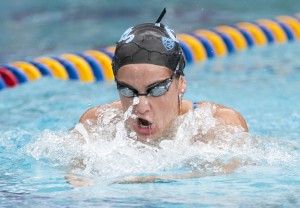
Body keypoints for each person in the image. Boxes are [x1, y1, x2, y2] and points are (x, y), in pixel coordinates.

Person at [79, 10, 248, 144]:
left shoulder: (218, 124)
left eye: (157, 89)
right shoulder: (97, 123)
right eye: (128, 90)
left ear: (181, 83)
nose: (141, 106)